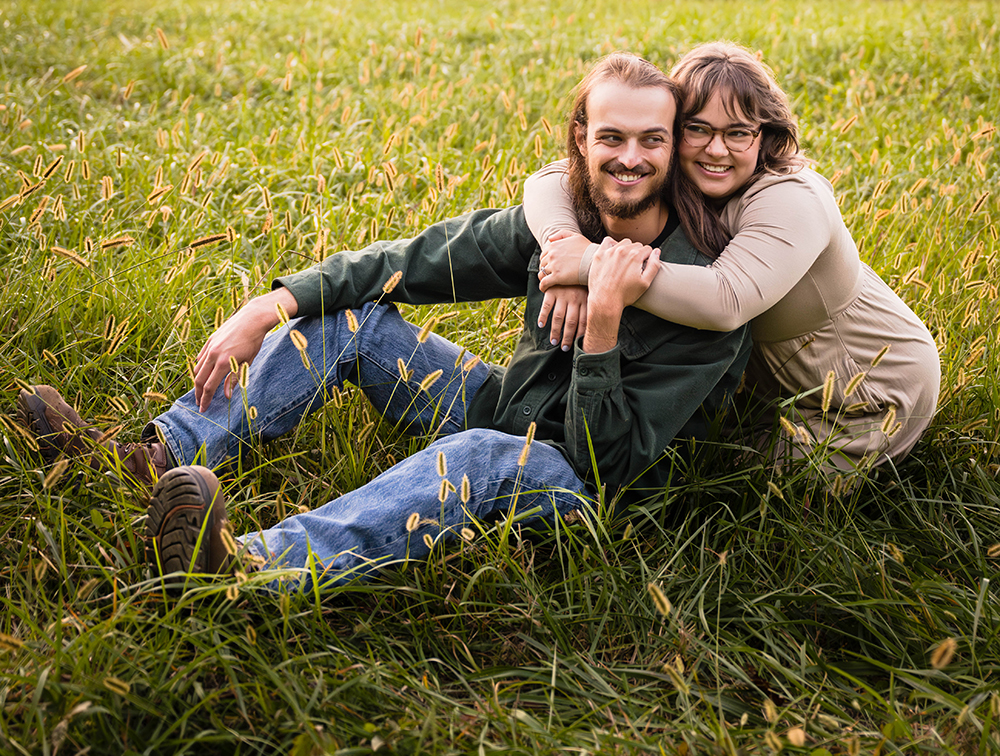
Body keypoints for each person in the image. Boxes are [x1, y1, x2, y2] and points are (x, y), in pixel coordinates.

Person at [19, 53, 751, 591]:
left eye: (652, 141)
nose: (630, 158)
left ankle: (244, 568)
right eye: (612, 138)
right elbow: (408, 261)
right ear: (580, 141)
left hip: (585, 488)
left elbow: (610, 464)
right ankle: (151, 455)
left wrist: (603, 323)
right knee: (356, 319)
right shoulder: (562, 229)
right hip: (511, 409)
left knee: (481, 454)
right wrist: (270, 305)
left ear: (675, 147)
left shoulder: (709, 290)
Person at [523, 42, 941, 477]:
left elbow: (727, 300)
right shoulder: (678, 172)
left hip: (866, 395)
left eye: (737, 133)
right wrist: (562, 243)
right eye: (697, 129)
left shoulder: (792, 196)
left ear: (765, 136)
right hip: (769, 393)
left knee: (725, 488)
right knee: (683, 460)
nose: (716, 150)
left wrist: (591, 264)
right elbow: (551, 178)